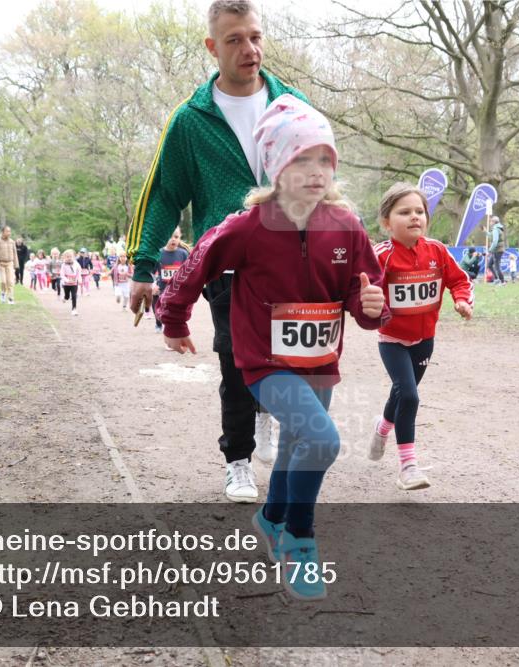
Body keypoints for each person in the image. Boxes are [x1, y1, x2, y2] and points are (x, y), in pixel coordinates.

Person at [158, 96, 387, 599]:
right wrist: (173, 318)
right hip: (264, 361)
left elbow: (365, 294)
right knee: (323, 441)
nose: (316, 170)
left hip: (320, 358)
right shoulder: (247, 227)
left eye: (324, 159)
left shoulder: (346, 226)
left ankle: (271, 517)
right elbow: (197, 265)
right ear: (275, 168)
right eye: (301, 159)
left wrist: (371, 304)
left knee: (295, 444)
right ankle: (298, 542)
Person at [124, 0, 309, 502]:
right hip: (225, 263)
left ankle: (268, 412)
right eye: (234, 40)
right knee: (235, 360)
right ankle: (239, 460)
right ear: (212, 47)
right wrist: (143, 266)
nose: (250, 49)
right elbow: (165, 193)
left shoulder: (292, 104)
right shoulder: (190, 120)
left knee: (291, 355)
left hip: (292, 260)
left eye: (255, 37)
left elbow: (321, 178)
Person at [369, 183, 472, 490]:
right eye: (405, 212)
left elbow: (459, 280)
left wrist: (462, 300)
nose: (414, 217)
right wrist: (371, 302)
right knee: (410, 396)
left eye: (419, 211)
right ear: (387, 222)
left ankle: (383, 427)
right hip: (392, 341)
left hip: (425, 339)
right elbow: (365, 288)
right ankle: (408, 467)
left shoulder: (437, 251)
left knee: (402, 393)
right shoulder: (382, 256)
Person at [152, 228, 190, 333]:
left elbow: (188, 272)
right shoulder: (158, 253)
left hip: (177, 290)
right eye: (170, 236)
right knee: (159, 309)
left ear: (179, 238)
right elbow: (151, 272)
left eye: (176, 237)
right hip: (162, 289)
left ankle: (170, 330)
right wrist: (153, 284)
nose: (173, 240)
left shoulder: (183, 254)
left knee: (174, 313)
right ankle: (158, 323)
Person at [0, 226, 19, 304]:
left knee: (10, 281)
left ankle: (10, 298)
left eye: (10, 231)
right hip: (1, 264)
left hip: (10, 263)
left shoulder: (12, 242)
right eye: (7, 231)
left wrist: (16, 264)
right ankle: (3, 293)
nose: (9, 233)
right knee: (3, 281)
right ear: (3, 232)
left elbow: (15, 253)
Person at [59, 249, 82, 316]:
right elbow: (62, 275)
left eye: (70, 256)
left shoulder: (76, 264)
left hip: (74, 283)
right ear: (64, 257)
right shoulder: (63, 265)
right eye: (67, 257)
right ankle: (65, 298)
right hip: (66, 283)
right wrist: (67, 280)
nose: (69, 258)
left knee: (74, 296)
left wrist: (79, 279)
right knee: (67, 296)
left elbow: (79, 272)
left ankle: (74, 309)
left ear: (73, 257)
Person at [487, 216, 506, 284]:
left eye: (491, 221)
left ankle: (502, 282)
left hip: (497, 250)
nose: (490, 222)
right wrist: (485, 231)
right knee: (489, 265)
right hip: (497, 249)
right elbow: (491, 236)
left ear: (494, 222)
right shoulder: (498, 228)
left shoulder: (495, 229)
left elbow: (495, 241)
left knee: (497, 266)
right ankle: (496, 279)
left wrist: (490, 250)